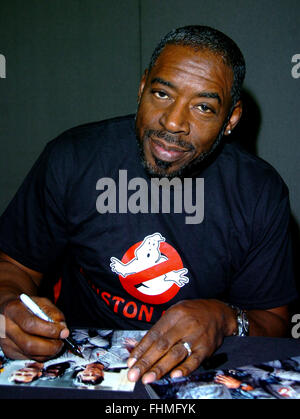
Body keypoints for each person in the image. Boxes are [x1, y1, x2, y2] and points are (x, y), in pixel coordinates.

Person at [0, 25, 297, 385]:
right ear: (142, 88)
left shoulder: (258, 192)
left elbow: (273, 322)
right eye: (161, 93)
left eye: (204, 107)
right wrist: (7, 308)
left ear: (230, 120)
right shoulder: (74, 158)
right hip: (79, 362)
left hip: (201, 374)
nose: (173, 122)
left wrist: (224, 319)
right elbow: (14, 266)